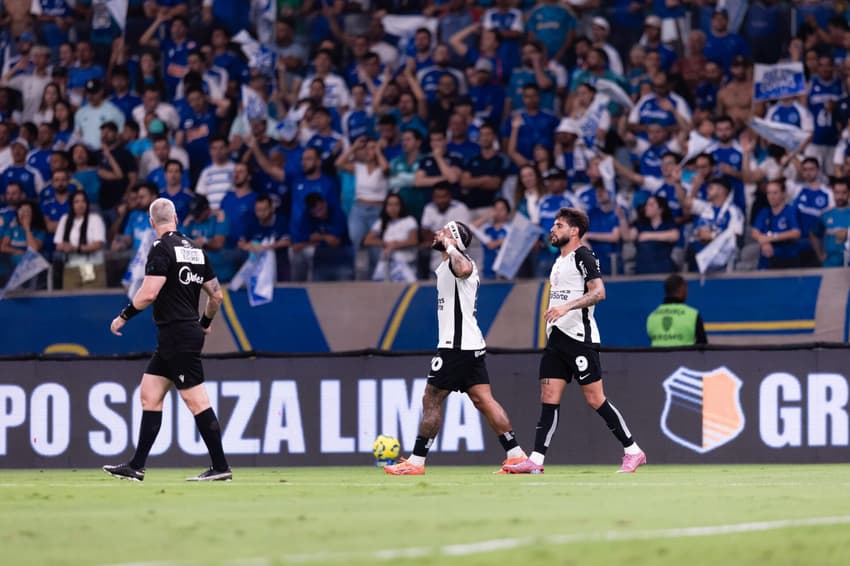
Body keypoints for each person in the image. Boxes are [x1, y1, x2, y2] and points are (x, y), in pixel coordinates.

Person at [503, 208, 646, 475]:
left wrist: (566, 307)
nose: (553, 229)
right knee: (548, 397)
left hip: (580, 339)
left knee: (595, 399)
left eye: (559, 225)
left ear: (574, 230)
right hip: (556, 338)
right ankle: (536, 460)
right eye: (554, 225)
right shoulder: (559, 261)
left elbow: (599, 292)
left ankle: (633, 451)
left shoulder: (584, 255)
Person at [104, 198, 231, 482]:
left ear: (152, 222)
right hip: (180, 334)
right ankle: (136, 466)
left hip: (177, 334)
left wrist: (123, 316)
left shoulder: (161, 248)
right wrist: (204, 323)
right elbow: (217, 295)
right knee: (149, 394)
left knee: (196, 401)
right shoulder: (196, 250)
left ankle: (221, 467)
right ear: (176, 218)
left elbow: (149, 293)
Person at [385, 220, 526, 475]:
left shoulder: (459, 261)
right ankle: (516, 456)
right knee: (484, 400)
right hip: (470, 345)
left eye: (445, 231)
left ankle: (416, 462)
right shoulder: (446, 264)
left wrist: (451, 247)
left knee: (431, 398)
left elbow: (464, 269)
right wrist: (450, 248)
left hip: (456, 347)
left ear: (455, 240)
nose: (438, 233)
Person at [646, 274, 708, 347]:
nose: (687, 293)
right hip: (685, 355)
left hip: (658, 355)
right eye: (686, 289)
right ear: (681, 289)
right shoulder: (692, 315)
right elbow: (703, 347)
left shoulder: (652, 317)